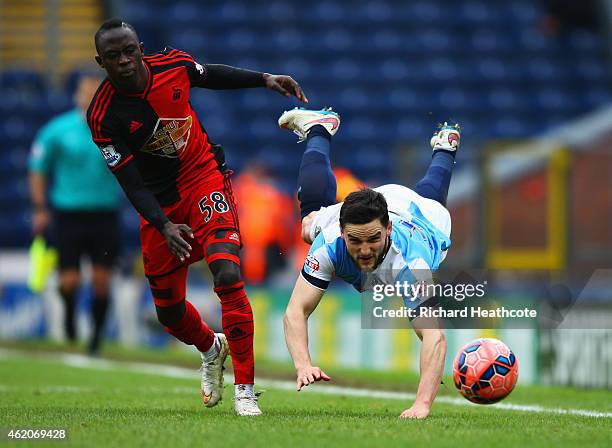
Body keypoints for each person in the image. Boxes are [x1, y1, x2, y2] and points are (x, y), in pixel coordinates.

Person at [87, 19, 308, 416]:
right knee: (169, 312)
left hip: (203, 177)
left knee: (226, 272)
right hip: (159, 206)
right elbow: (132, 184)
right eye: (114, 56)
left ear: (140, 48)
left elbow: (212, 75)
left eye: (129, 51)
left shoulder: (172, 64)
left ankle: (244, 389)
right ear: (100, 61)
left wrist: (264, 79)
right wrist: (164, 225)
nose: (124, 61)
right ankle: (210, 347)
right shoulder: (103, 116)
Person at [280, 108, 459, 419]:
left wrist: (422, 404)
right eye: (355, 241)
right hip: (375, 204)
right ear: (343, 233)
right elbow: (296, 310)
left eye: (372, 240)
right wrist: (303, 364)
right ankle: (319, 129)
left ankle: (445, 149)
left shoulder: (413, 265)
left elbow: (434, 336)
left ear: (387, 229)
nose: (364, 250)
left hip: (423, 220)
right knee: (309, 225)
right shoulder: (332, 241)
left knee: (431, 199)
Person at [29, 75, 122, 355]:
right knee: (69, 280)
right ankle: (69, 313)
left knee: (101, 280)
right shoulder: (58, 130)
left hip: (104, 213)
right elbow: (38, 167)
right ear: (77, 96)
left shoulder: (113, 129)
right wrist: (40, 207)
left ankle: (95, 337)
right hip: (68, 214)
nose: (90, 97)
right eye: (86, 92)